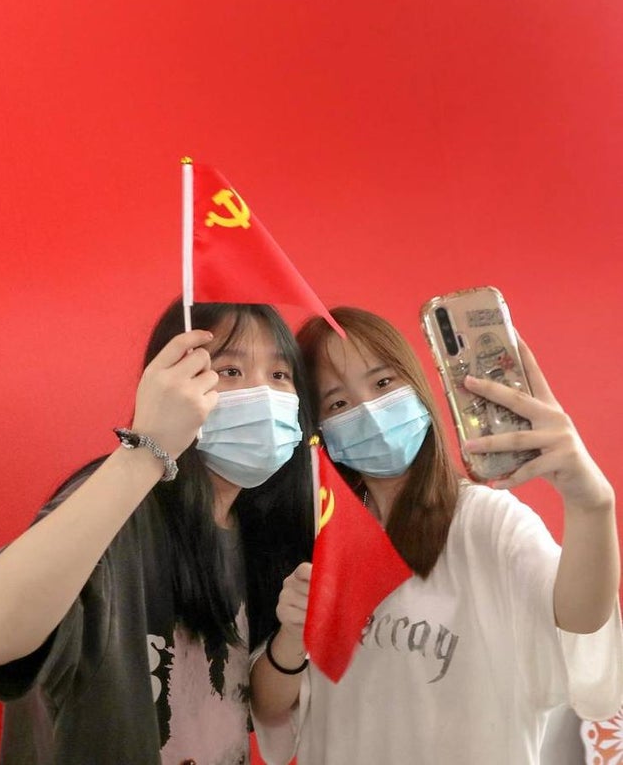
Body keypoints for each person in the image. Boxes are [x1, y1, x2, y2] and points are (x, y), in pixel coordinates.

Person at [250, 306, 623, 764]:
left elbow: (580, 619)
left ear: (420, 387)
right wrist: (292, 634)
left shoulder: (484, 521)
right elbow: (270, 708)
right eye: (338, 403)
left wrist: (592, 504)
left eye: (384, 383)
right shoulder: (321, 534)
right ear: (319, 429)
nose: (368, 409)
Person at [0, 300, 316, 764]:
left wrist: (294, 632)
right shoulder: (118, 507)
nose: (262, 393)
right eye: (229, 371)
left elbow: (259, 702)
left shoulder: (258, 531)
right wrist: (148, 448)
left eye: (280, 375)